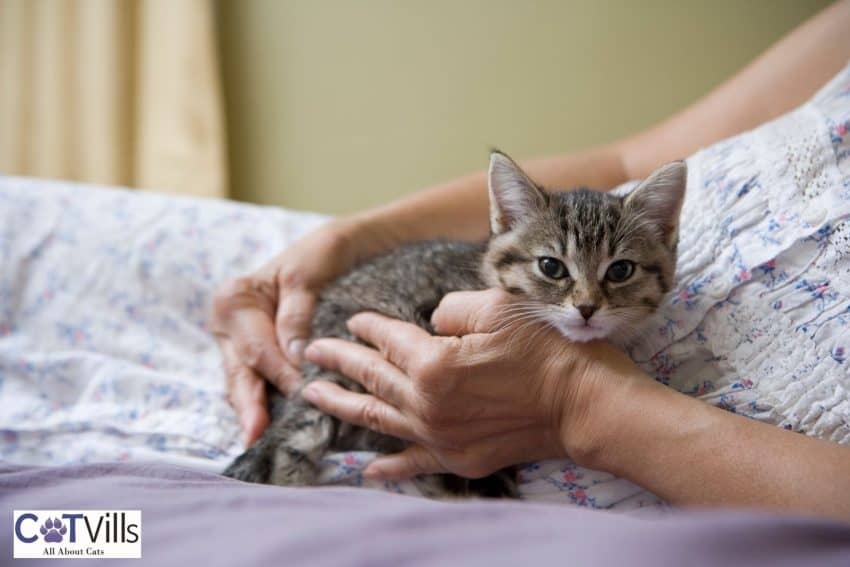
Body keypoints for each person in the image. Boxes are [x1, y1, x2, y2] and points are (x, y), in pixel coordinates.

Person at [212, 1, 850, 520]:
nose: (585, 302)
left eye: (617, 274)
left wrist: (574, 401)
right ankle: (111, 541)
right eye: (558, 274)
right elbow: (629, 166)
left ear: (664, 239)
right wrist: (346, 240)